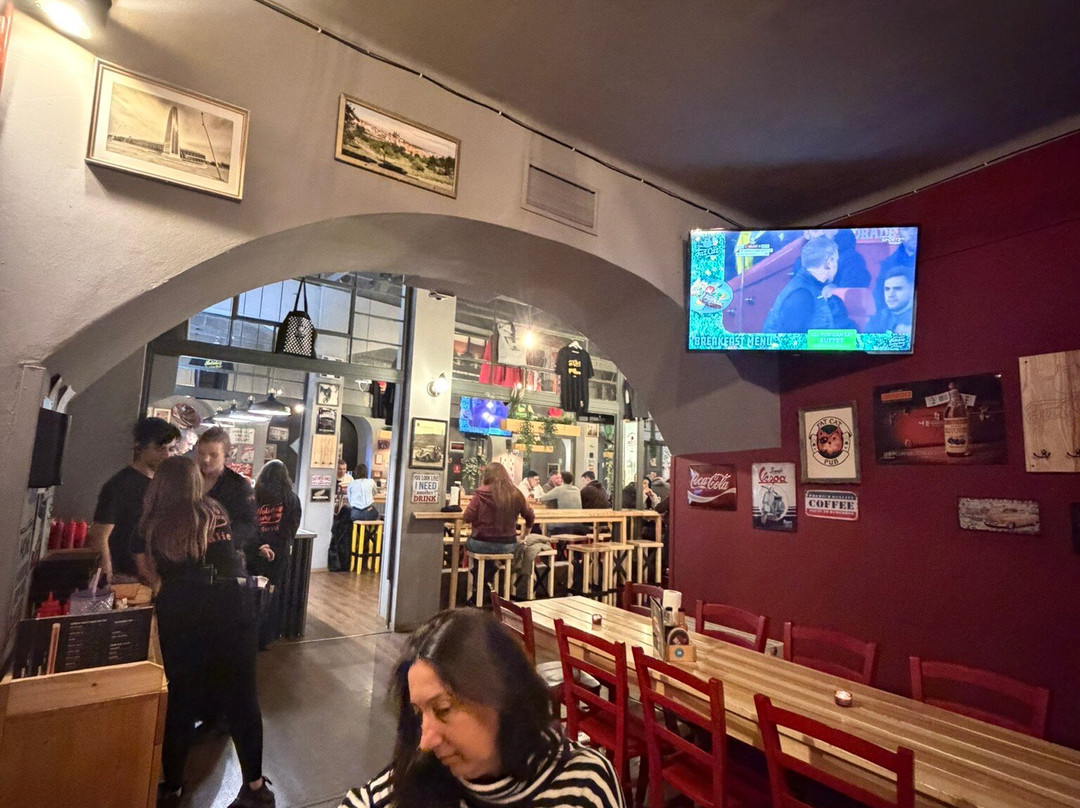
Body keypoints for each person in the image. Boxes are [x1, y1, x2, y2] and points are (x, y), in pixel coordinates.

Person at [338, 609, 624, 808]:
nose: (425, 741)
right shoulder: (410, 786)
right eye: (419, 713)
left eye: (443, 709)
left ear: (503, 696)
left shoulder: (582, 787)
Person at [137, 456, 274, 808]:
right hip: (231, 611)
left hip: (181, 615)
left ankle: (172, 789)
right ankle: (256, 788)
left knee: (179, 702)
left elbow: (155, 575)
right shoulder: (213, 512)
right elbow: (227, 562)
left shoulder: (155, 521)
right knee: (243, 699)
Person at [88, 416, 180, 584]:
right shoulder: (119, 485)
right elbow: (99, 535)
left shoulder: (164, 485)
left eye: (172, 449)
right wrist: (106, 576)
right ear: (140, 446)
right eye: (160, 448)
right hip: (126, 576)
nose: (167, 455)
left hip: (156, 576)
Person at [463, 463, 541, 600]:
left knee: (469, 543)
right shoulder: (515, 494)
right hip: (508, 545)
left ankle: (481, 585)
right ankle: (489, 581)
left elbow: (467, 517)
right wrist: (524, 534)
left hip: (481, 544)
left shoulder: (481, 494)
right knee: (494, 551)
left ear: (487, 476)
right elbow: (530, 516)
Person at [252, 460, 302, 650]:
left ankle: (250, 634)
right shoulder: (292, 499)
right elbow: (292, 528)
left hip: (256, 552)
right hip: (279, 554)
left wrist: (259, 544)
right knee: (272, 593)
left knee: (253, 592)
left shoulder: (255, 496)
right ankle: (267, 637)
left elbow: (248, 524)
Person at [196, 427, 257, 564]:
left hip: (224, 556)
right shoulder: (187, 479)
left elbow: (249, 525)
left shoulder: (238, 486)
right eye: (201, 453)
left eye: (213, 455)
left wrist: (220, 539)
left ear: (226, 456)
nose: (205, 459)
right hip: (190, 555)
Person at [761, 236, 842, 334]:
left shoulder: (811, 288)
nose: (837, 265)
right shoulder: (802, 295)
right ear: (829, 263)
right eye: (836, 261)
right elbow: (792, 340)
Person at [865, 265, 915, 335]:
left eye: (897, 289)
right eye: (887, 289)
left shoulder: (919, 319)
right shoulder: (876, 320)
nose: (890, 294)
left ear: (911, 291)